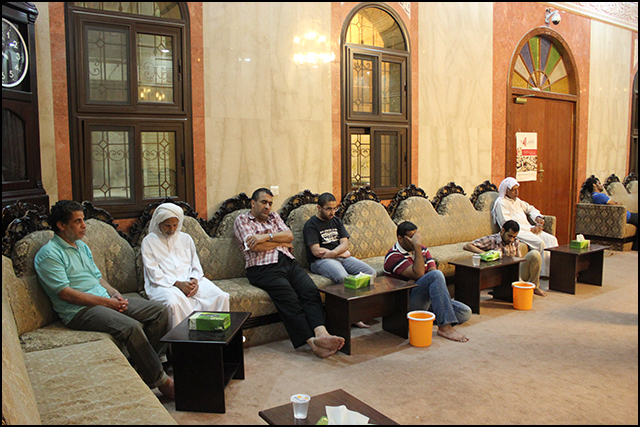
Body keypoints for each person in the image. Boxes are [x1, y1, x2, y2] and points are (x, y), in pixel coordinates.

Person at [34, 200, 175, 399]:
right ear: (61, 225)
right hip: (79, 311)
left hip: (103, 299)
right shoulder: (49, 254)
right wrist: (108, 303)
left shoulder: (81, 246)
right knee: (131, 327)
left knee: (160, 312)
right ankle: (162, 382)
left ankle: (143, 369)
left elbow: (97, 277)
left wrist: (114, 293)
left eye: (83, 220)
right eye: (77, 221)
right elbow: (66, 294)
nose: (84, 226)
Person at [233, 188, 345, 358]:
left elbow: (289, 236)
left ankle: (322, 333)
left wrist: (265, 237)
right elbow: (254, 247)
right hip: (262, 268)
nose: (267, 207)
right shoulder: (242, 220)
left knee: (310, 290)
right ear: (253, 203)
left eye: (270, 203)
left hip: (288, 262)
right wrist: (279, 242)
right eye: (263, 202)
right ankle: (312, 343)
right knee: (289, 298)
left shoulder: (274, 216)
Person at [141, 203, 230, 329]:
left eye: (175, 225)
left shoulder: (186, 238)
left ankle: (216, 335)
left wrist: (194, 280)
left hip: (190, 281)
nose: (172, 230)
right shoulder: (149, 241)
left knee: (221, 297)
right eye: (167, 226)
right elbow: (153, 272)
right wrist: (178, 284)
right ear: (159, 223)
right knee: (174, 303)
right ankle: (182, 339)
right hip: (164, 285)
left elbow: (195, 264)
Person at [384, 221, 471, 343]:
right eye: (412, 238)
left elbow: (432, 271)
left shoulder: (422, 249)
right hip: (405, 303)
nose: (416, 240)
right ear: (400, 238)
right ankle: (445, 327)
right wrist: (417, 247)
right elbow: (421, 274)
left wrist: (420, 278)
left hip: (426, 298)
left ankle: (428, 317)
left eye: (416, 236)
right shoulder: (393, 256)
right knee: (435, 276)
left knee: (464, 312)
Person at [303, 192, 377, 328]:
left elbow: (345, 244)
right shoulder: (311, 225)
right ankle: (352, 316)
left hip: (336, 256)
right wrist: (339, 253)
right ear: (319, 208)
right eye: (328, 209)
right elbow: (316, 251)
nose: (332, 212)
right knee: (344, 278)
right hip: (320, 261)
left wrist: (334, 253)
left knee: (370, 273)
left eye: (334, 208)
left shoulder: (337, 221)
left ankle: (362, 310)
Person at [491, 177, 558, 277]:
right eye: (514, 190)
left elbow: (530, 209)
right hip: (517, 233)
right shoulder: (501, 203)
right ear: (506, 191)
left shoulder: (517, 201)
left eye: (517, 189)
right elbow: (507, 224)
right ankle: (543, 274)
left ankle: (554, 270)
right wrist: (530, 229)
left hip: (529, 229)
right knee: (540, 243)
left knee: (551, 239)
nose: (517, 192)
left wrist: (537, 217)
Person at [463, 220, 545, 296]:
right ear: (503, 230)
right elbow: (468, 245)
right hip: (501, 275)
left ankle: (535, 286)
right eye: (509, 236)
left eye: (514, 237)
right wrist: (485, 254)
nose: (511, 239)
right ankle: (519, 285)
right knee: (520, 292)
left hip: (515, 271)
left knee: (535, 254)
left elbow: (519, 260)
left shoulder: (515, 241)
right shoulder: (492, 239)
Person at [580, 175, 638, 251]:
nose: (601, 185)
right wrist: (618, 203)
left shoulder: (595, 196)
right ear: (594, 185)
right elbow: (615, 205)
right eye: (599, 183)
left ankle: (636, 246)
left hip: (624, 215)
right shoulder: (599, 196)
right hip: (624, 216)